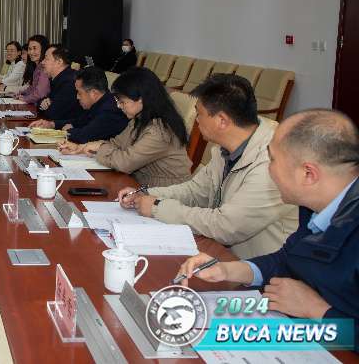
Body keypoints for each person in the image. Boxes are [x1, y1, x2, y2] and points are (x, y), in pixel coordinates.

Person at [177, 109, 359, 350]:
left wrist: (317, 310)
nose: (269, 170)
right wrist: (228, 270)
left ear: (308, 174)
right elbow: (288, 259)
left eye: (272, 160)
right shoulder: (315, 205)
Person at [117, 74, 297, 258]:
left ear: (222, 121)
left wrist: (158, 208)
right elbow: (196, 192)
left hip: (256, 267)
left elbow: (227, 226)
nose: (196, 120)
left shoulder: (272, 161)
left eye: (199, 113)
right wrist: (146, 194)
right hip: (221, 253)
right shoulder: (226, 148)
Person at [63, 67, 191, 188]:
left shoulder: (160, 131)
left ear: (140, 99)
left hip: (165, 191)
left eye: (122, 102)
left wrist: (99, 147)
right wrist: (82, 148)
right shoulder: (139, 118)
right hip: (140, 184)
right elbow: (116, 144)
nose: (119, 106)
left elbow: (125, 162)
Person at [31, 66, 128, 144]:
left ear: (93, 93)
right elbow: (79, 121)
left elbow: (85, 136)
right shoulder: (99, 103)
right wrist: (52, 124)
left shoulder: (110, 110)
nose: (77, 97)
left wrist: (69, 131)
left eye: (79, 93)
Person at [37, 44, 83, 121]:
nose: (42, 62)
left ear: (59, 62)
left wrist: (47, 105)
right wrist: (43, 103)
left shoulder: (69, 82)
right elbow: (41, 101)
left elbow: (53, 114)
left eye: (46, 59)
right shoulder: (59, 78)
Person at [16, 34, 50, 105]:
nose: (31, 52)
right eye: (29, 49)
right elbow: (33, 88)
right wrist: (21, 93)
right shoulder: (37, 67)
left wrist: (25, 99)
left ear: (43, 49)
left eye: (34, 48)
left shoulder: (45, 67)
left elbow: (40, 93)